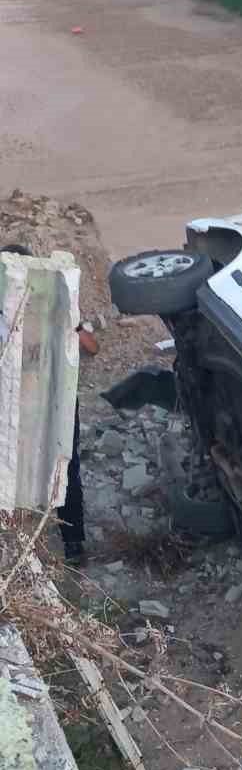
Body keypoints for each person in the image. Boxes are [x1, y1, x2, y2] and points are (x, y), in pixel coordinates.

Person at [0, 241, 97, 562]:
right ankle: (25, 537)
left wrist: (71, 327)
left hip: (54, 401)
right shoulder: (7, 311)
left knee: (63, 466)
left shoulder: (56, 304)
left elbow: (90, 346)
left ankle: (72, 543)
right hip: (19, 403)